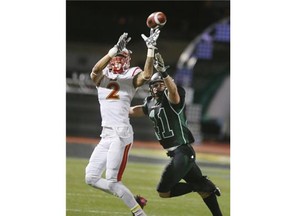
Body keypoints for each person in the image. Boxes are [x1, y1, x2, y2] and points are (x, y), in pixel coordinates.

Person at [129, 53, 223, 216]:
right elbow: (136, 110)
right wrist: (118, 107)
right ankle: (208, 195)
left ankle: (200, 185)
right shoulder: (150, 102)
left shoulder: (172, 97)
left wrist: (164, 73)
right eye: (155, 85)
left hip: (183, 152)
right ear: (151, 87)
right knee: (204, 190)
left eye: (161, 84)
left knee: (164, 191)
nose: (158, 87)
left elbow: (173, 92)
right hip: (177, 153)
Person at [85, 29, 160, 216]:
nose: (118, 60)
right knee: (91, 177)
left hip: (121, 133)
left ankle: (139, 213)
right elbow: (94, 70)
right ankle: (135, 200)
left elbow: (147, 75)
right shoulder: (101, 76)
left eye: (121, 56)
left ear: (127, 60)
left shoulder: (131, 75)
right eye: (116, 57)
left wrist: (150, 50)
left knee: (112, 181)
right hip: (106, 134)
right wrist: (113, 50)